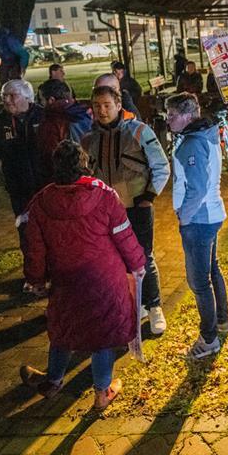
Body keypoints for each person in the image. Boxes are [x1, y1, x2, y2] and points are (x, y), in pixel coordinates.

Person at [19, 141, 146, 411]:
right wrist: (138, 264)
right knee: (103, 333)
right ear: (84, 164)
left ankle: (53, 381)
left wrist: (36, 279)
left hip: (66, 281)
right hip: (104, 279)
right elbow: (124, 234)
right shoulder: (104, 195)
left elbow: (34, 247)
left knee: (64, 328)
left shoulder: (41, 202)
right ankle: (102, 392)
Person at [83, 86, 169, 334]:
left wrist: (148, 197)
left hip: (137, 207)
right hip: (106, 213)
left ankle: (154, 307)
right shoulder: (89, 139)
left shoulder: (140, 131)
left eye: (107, 105)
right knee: (117, 260)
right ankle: (135, 305)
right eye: (97, 105)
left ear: (119, 105)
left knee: (143, 256)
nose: (102, 110)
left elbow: (161, 166)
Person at [164, 93, 228, 357]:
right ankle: (221, 321)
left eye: (172, 115)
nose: (168, 120)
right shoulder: (206, 135)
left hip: (199, 220)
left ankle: (209, 338)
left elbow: (198, 187)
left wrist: (185, 216)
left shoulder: (192, 143)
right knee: (212, 271)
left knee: (199, 282)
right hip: (211, 215)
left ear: (189, 116)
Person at [0, 80, 44, 285]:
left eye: (12, 95)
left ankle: (54, 271)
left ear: (27, 97)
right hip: (19, 189)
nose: (7, 100)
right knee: (26, 232)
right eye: (4, 96)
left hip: (46, 186)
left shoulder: (44, 117)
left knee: (50, 230)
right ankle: (34, 276)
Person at [35, 80, 92, 184]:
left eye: (41, 99)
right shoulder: (84, 113)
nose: (39, 103)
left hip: (65, 179)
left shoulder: (51, 121)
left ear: (51, 100)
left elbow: (49, 155)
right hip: (89, 173)